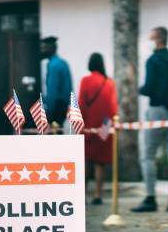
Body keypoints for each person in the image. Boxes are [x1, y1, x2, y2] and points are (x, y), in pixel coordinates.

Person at [132, 27, 168, 213]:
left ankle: (150, 198)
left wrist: (139, 89)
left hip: (156, 111)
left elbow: (149, 87)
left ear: (157, 40)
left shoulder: (152, 61)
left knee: (148, 154)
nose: (149, 41)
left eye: (150, 38)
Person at [79, 53, 118, 205]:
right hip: (105, 125)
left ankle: (82, 194)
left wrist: (80, 125)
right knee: (100, 162)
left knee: (86, 160)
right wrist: (109, 126)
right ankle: (98, 194)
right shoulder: (110, 82)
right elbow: (113, 107)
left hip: (89, 125)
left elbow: (81, 104)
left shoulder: (85, 81)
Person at [41, 36, 72, 126]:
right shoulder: (63, 63)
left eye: (44, 48)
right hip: (63, 107)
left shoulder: (53, 65)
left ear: (50, 49)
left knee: (54, 135)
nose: (42, 51)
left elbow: (52, 91)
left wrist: (49, 112)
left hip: (56, 108)